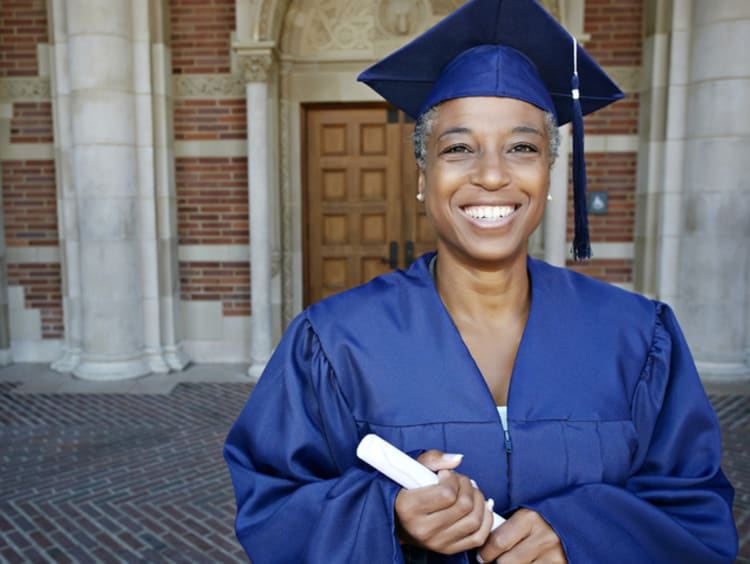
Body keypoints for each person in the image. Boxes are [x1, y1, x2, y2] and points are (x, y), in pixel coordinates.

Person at [224, 0, 738, 562]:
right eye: (458, 148)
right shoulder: (334, 341)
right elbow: (271, 504)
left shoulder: (639, 337)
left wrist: (583, 533)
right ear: (423, 178)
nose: (492, 174)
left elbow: (695, 510)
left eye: (522, 147)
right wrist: (386, 514)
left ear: (548, 173)